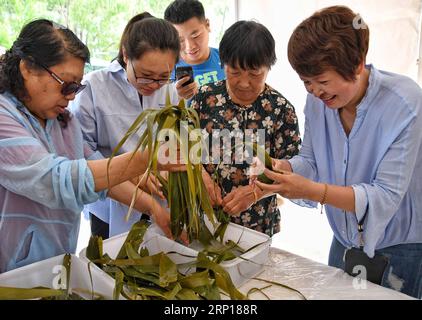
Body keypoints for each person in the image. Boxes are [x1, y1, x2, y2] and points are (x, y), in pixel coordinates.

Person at [254, 6, 422, 298]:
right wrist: (285, 169)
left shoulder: (405, 103)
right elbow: (312, 161)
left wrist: (313, 191)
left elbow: (384, 195)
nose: (314, 92)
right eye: (306, 82)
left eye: (322, 81)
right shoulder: (319, 103)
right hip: (344, 240)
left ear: (357, 65)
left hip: (400, 246)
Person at [0, 19, 180, 273]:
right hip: (11, 269)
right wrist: (146, 159)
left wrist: (152, 208)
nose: (72, 96)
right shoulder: (4, 117)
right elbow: (55, 179)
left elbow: (98, 173)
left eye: (77, 86)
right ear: (28, 68)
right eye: (67, 84)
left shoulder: (62, 121)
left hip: (56, 259)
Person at [70, 14, 183, 239]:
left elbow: (175, 143)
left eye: (163, 77)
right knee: (110, 264)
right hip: (111, 203)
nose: (154, 85)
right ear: (125, 55)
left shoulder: (171, 91)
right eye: (146, 76)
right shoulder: (94, 86)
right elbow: (80, 149)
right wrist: (130, 172)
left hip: (160, 197)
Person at [190, 21, 301, 236]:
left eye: (254, 74)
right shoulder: (203, 99)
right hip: (203, 217)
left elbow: (292, 167)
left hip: (257, 222)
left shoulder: (280, 109)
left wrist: (255, 192)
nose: (244, 82)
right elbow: (183, 148)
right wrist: (199, 175)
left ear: (268, 67)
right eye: (234, 72)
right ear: (223, 65)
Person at [164, 0, 225, 99]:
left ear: (207, 25)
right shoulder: (165, 70)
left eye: (195, 35)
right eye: (180, 40)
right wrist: (175, 97)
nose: (190, 46)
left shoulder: (228, 60)